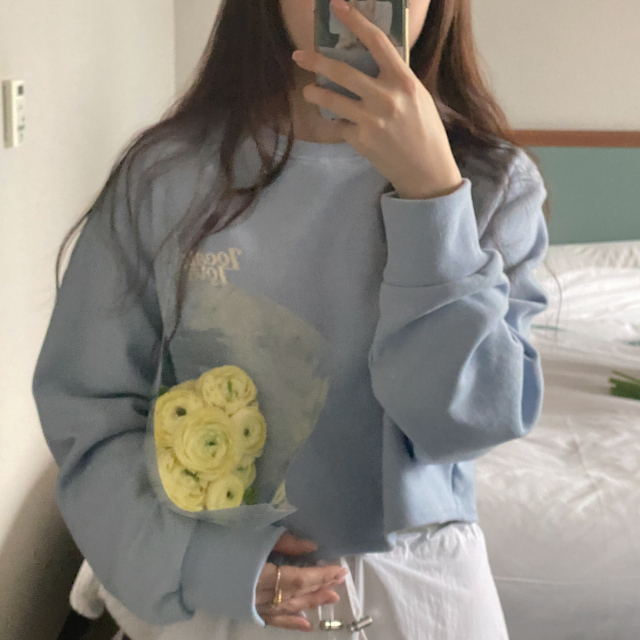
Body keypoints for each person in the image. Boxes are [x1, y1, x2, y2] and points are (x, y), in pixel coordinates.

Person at [32, 0, 550, 638]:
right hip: (218, 593)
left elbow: (466, 424)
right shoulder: (165, 177)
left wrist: (433, 201)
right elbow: (89, 412)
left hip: (422, 596)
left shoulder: (490, 184)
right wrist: (202, 562)